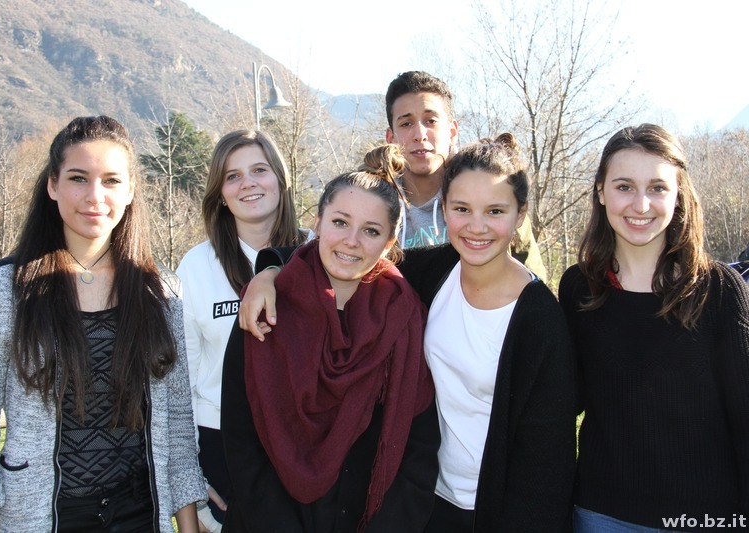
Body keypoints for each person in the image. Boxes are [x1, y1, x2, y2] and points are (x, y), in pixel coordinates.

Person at [241, 135, 577, 532]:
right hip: (430, 502)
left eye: (495, 211)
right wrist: (270, 271)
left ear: (520, 216)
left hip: (494, 509)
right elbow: (350, 254)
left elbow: (548, 462)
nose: (477, 226)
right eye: (462, 209)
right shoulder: (432, 274)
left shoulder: (540, 321)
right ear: (444, 209)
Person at [0, 116, 205, 532]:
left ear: (131, 190)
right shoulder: (3, 290)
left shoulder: (161, 292)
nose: (94, 196)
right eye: (78, 178)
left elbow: (176, 429)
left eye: (111, 181)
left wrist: (187, 526)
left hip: (140, 517)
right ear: (52, 185)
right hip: (39, 519)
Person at [220, 145, 440, 532]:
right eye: (340, 222)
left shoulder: (406, 318)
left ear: (389, 243)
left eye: (371, 231)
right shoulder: (267, 306)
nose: (351, 241)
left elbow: (419, 449)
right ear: (318, 223)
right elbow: (241, 439)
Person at [559, 124, 749, 531]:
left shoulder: (718, 291)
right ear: (600, 191)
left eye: (658, 187)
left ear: (679, 194)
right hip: (601, 514)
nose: (641, 204)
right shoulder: (578, 287)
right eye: (624, 186)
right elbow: (562, 402)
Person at [175, 129, 307, 532]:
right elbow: (179, 383)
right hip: (222, 446)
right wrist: (190, 477)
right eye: (233, 176)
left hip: (305, 444)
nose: (248, 183)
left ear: (281, 179)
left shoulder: (319, 252)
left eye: (259, 170)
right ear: (220, 194)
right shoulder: (196, 266)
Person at [384, 71, 547, 280]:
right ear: (391, 137)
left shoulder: (494, 192)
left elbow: (533, 279)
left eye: (431, 121)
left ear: (452, 131)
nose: (420, 135)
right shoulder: (374, 203)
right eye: (406, 123)